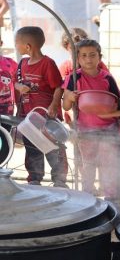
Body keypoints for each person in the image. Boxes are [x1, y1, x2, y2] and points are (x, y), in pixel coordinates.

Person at [62, 39, 120, 206]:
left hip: (108, 128)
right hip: (85, 129)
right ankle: (87, 196)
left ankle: (111, 199)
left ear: (99, 57)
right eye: (83, 56)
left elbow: (117, 101)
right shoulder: (74, 77)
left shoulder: (107, 78)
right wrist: (69, 97)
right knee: (87, 164)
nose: (88, 59)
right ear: (78, 59)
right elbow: (66, 106)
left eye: (92, 55)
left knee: (108, 164)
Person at [14, 26, 68, 188]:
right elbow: (17, 82)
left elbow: (59, 87)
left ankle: (59, 180)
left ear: (28, 46)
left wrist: (53, 105)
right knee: (32, 148)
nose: (16, 46)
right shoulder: (22, 63)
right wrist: (19, 87)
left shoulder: (47, 64)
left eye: (17, 43)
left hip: (46, 117)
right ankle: (35, 179)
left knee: (53, 148)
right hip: (28, 118)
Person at [0, 35, 17, 132]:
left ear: (1, 43)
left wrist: (19, 107)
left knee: (5, 141)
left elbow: (17, 86)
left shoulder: (11, 63)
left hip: (7, 111)